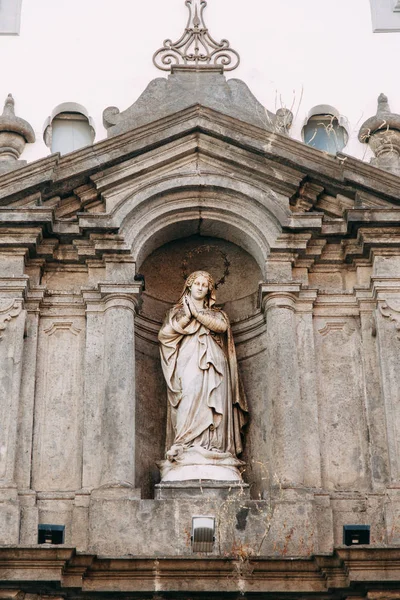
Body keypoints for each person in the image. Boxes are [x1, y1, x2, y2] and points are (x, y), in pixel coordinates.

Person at [158, 270, 248, 481]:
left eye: (204, 284)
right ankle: (185, 445)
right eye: (196, 283)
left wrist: (197, 314)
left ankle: (214, 449)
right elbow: (164, 335)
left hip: (215, 363)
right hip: (188, 360)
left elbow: (222, 327)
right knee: (189, 396)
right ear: (188, 286)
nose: (200, 287)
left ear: (210, 290)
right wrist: (188, 315)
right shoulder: (177, 312)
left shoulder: (217, 314)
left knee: (215, 403)